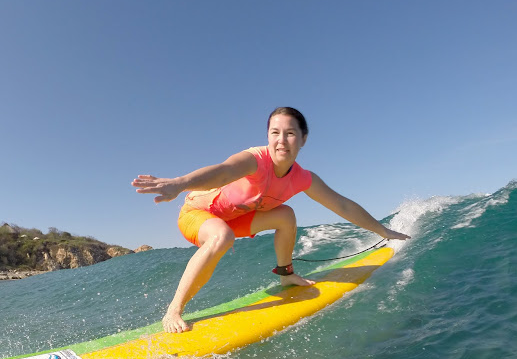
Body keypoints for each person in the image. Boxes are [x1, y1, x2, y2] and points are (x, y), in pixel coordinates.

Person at [132, 106, 410, 333]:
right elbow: (223, 171)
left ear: (303, 139)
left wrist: (382, 230)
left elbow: (342, 205)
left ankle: (286, 276)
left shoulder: (303, 178)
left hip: (235, 219)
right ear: (267, 136)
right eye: (275, 133)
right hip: (197, 214)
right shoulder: (255, 160)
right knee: (221, 236)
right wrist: (180, 183)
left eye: (290, 133)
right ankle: (174, 310)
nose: (281, 140)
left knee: (286, 215)